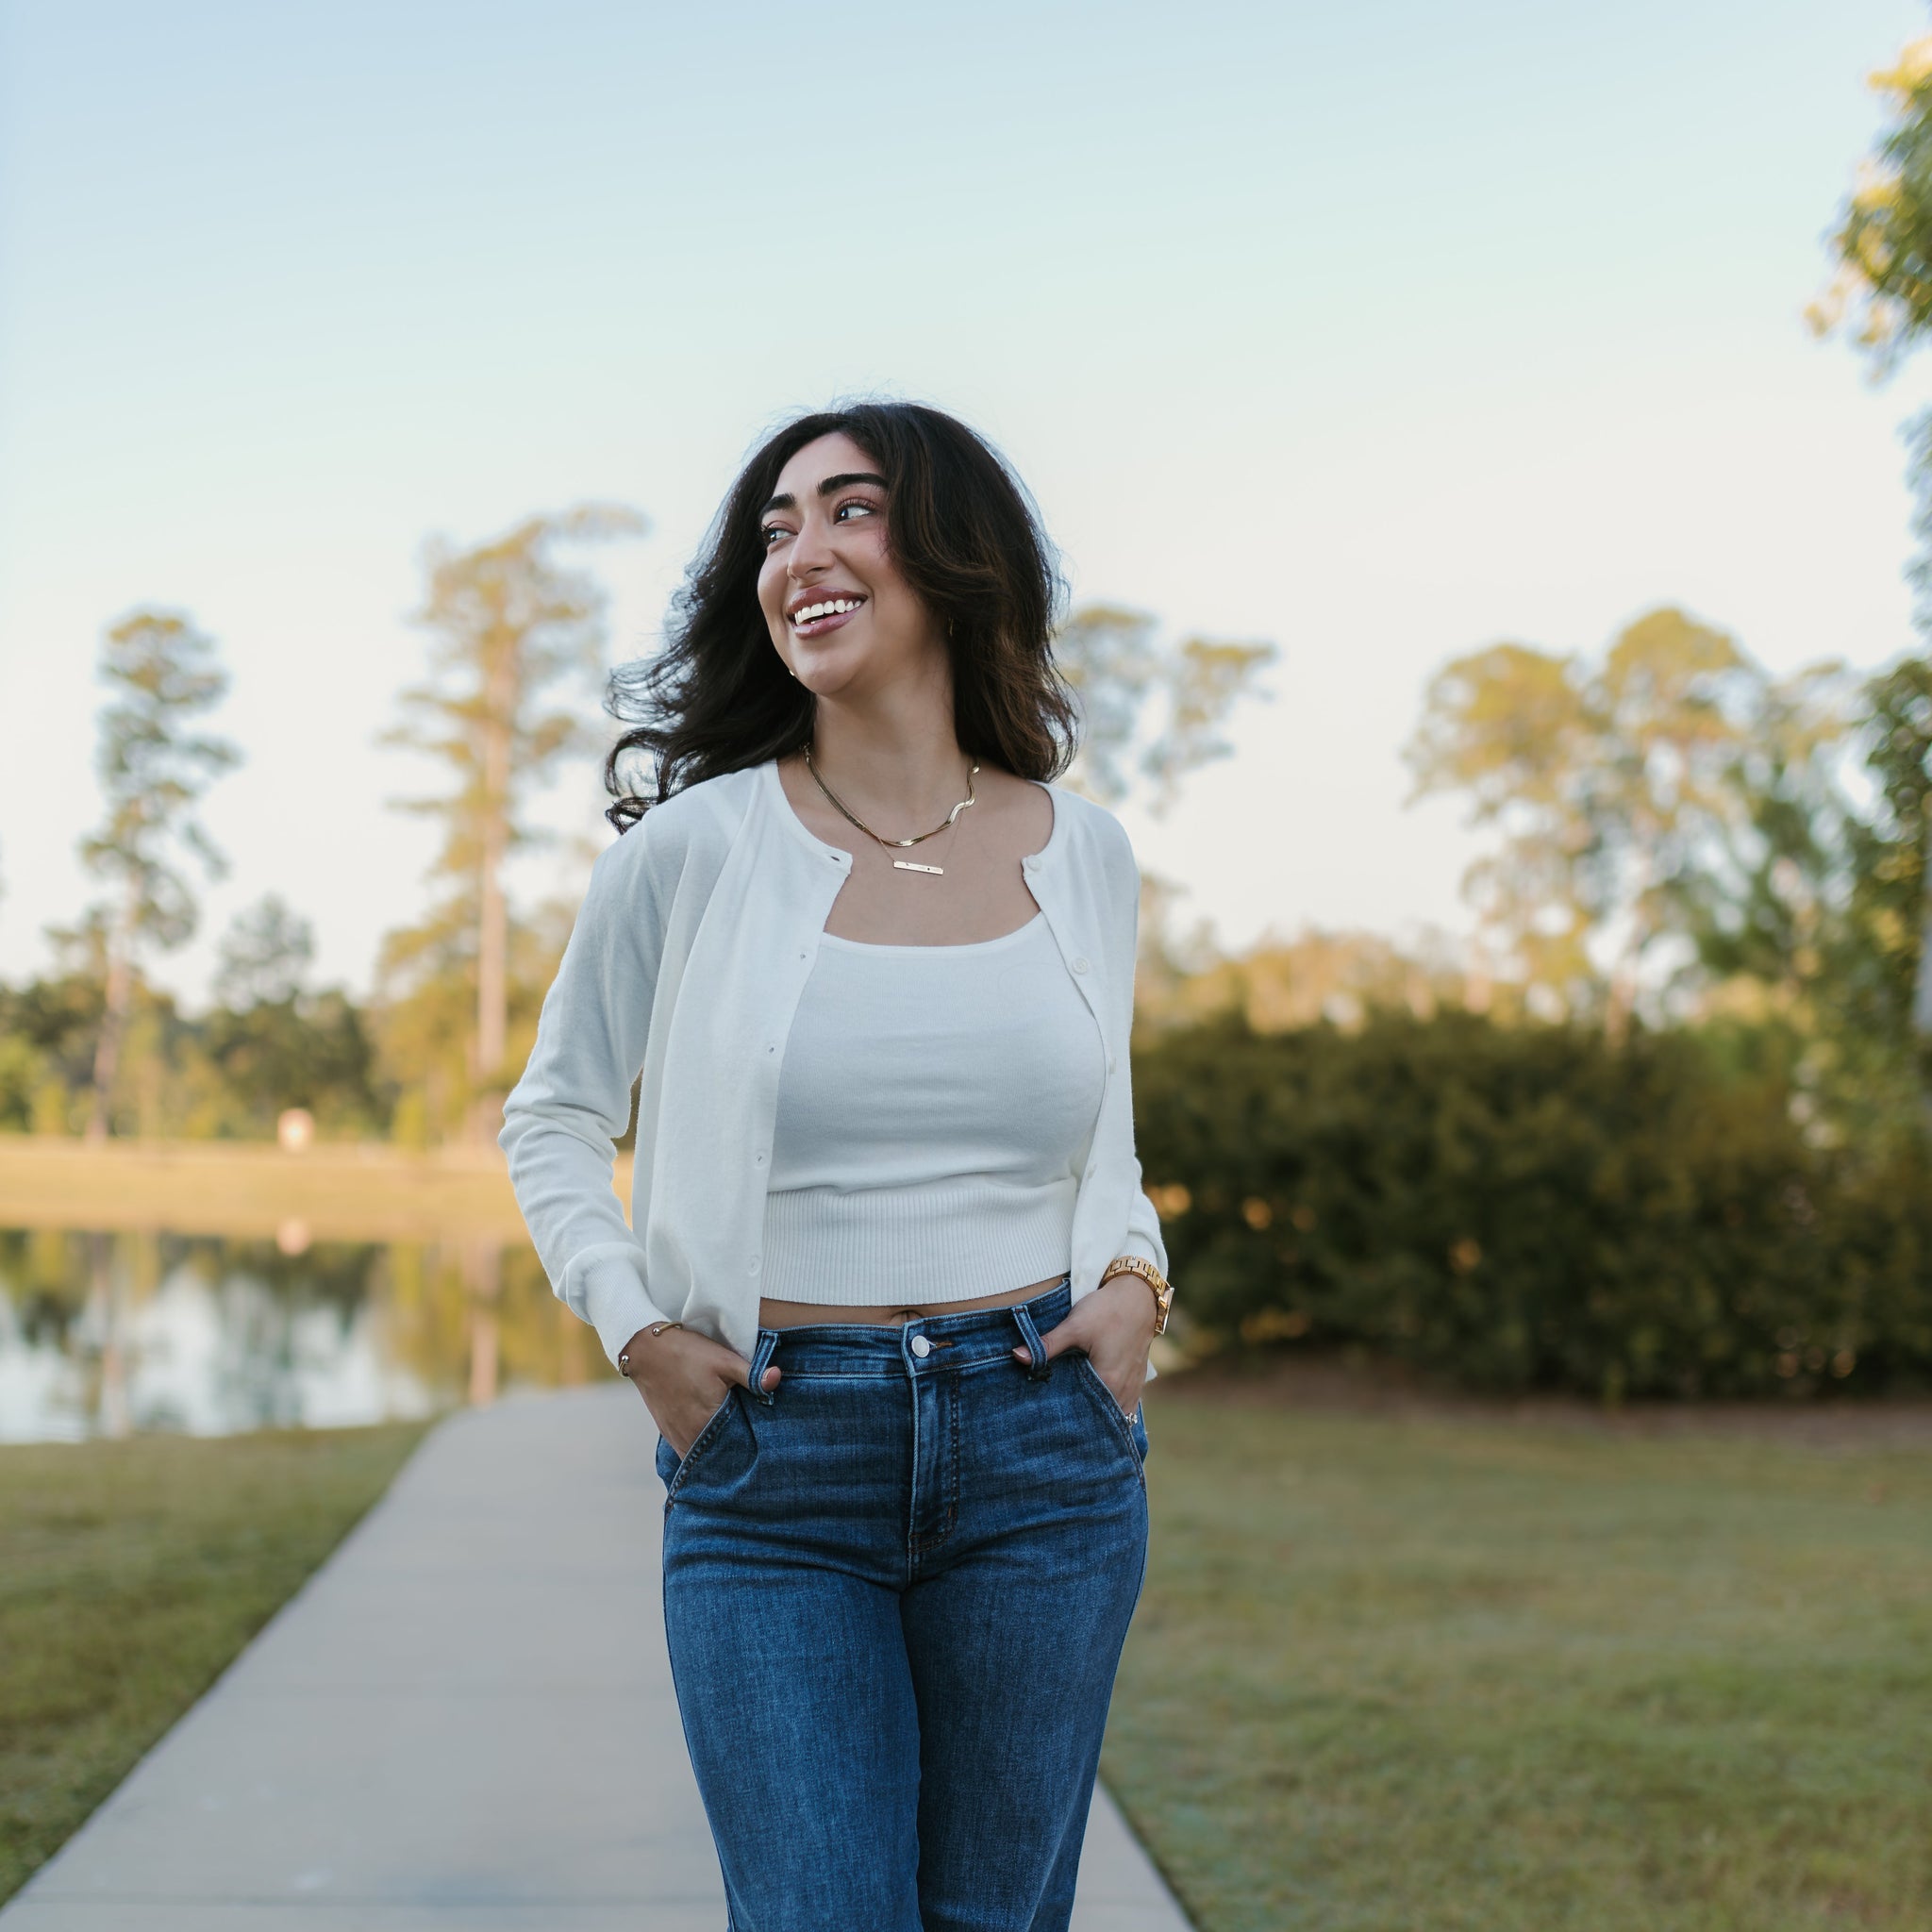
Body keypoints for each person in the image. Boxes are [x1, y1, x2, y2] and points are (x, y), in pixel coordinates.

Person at [501, 400, 1174, 1932]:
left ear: (954, 556)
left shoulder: (1087, 853)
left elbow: (1098, 1135)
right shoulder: (694, 852)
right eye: (775, 528)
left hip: (1043, 1464)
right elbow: (552, 1116)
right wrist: (638, 1329)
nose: (799, 551)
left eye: (848, 511)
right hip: (776, 1463)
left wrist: (1136, 1276)